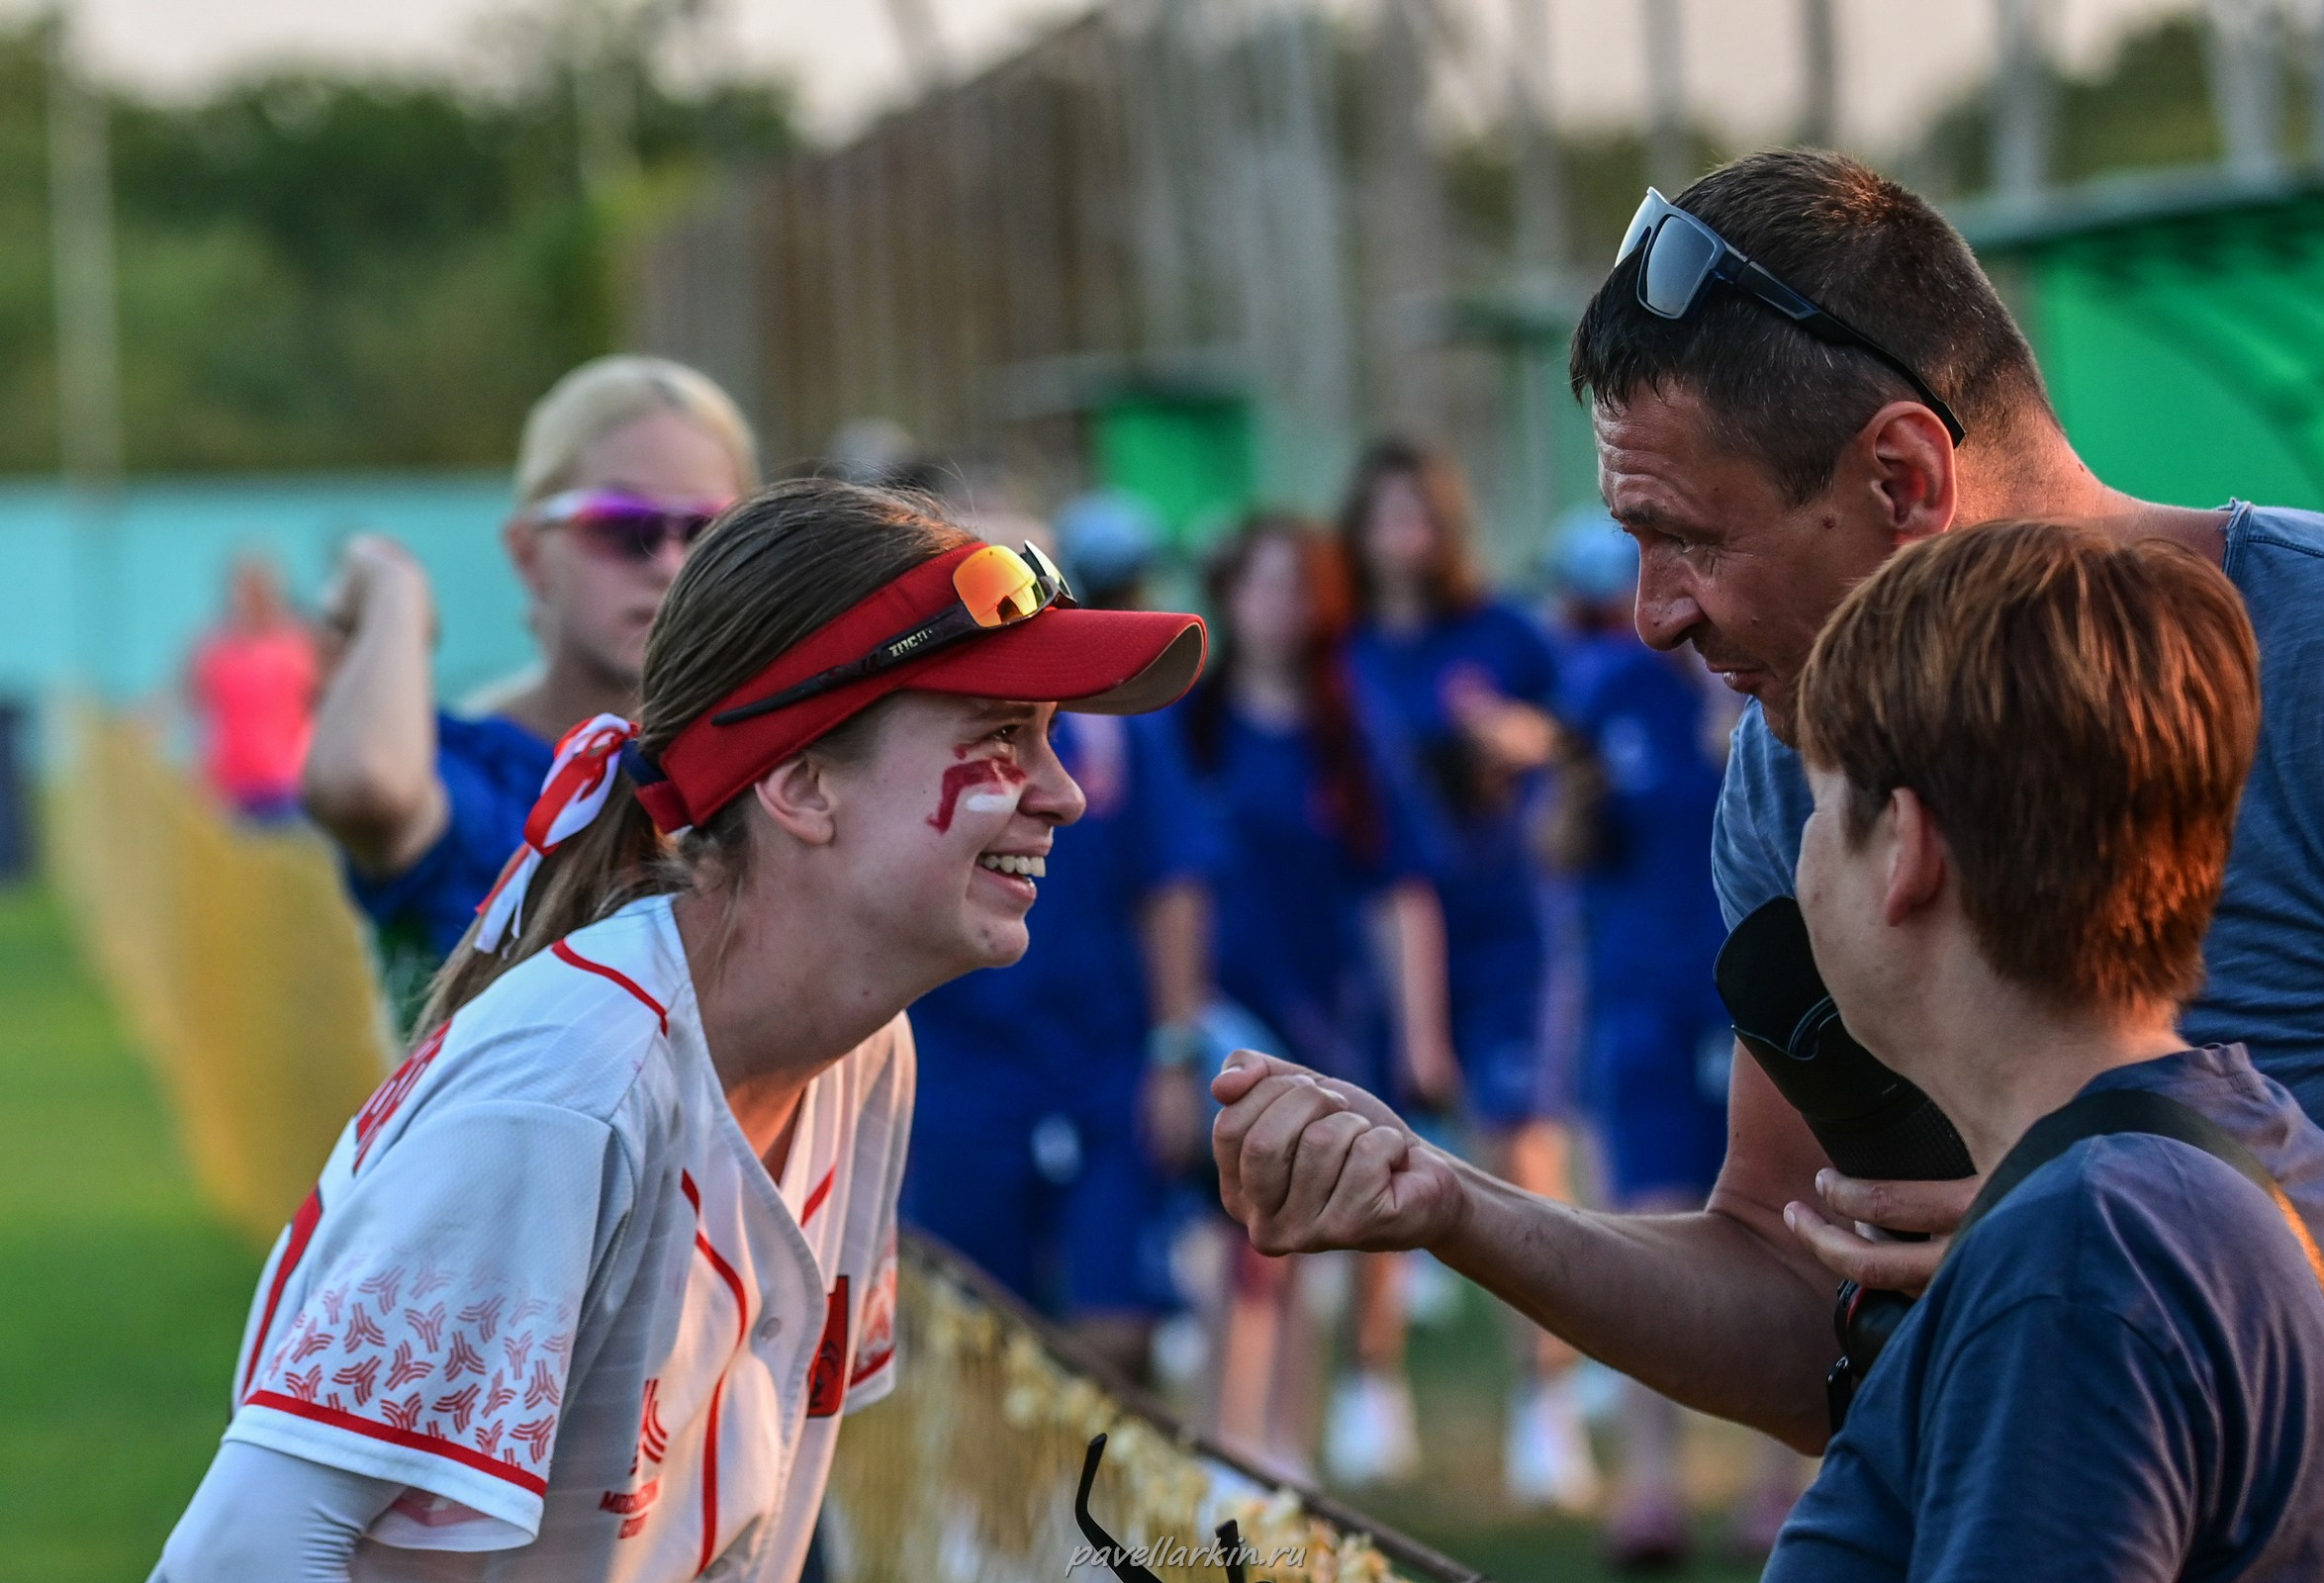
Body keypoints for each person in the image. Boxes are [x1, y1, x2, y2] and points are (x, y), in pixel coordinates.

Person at [1207, 147, 2324, 1459]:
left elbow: (2094, 1257)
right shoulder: (1791, 770)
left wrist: (2118, 1238)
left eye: (1688, 537)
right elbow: (1791, 1278)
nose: (1653, 617)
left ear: (1902, 479)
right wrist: (1455, 1205)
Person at [152, 479, 1208, 1581]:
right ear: (801, 786)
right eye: (1000, 735)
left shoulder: (864, 1051)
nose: (1064, 794)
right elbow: (239, 1558)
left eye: (1049, 736)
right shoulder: (567, 1096)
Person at [1772, 520, 2324, 1577]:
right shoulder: (2261, 1150)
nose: (1800, 854)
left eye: (1819, 803)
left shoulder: (2080, 1258)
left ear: (1906, 846)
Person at [304, 356, 757, 1019]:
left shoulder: (780, 779)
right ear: (528, 553)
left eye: (706, 530)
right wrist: (393, 588)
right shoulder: (479, 777)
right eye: (618, 523)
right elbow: (364, 784)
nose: (667, 563)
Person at [898, 509, 1218, 1383]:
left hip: (1101, 1058)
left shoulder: (1119, 724)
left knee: (1116, 1326)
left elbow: (1173, 883)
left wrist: (1175, 1051)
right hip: (962, 1063)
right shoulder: (910, 736)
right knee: (971, 1330)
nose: (1059, 795)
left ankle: (1085, 1474)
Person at [1335, 439, 1594, 1508]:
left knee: (1523, 1147)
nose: (1402, 535)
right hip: (1381, 939)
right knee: (1367, 1146)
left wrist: (1523, 739)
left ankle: (1547, 1400)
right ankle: (1370, 1380)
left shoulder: (1504, 633)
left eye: (1419, 513)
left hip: (1509, 931)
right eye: (1382, 514)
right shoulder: (1340, 652)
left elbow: (1579, 738)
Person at [1543, 513, 1800, 1564]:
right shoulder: (1608, 688)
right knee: (1649, 1227)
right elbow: (1560, 844)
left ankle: (1781, 1483)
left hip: (1769, 998)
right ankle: (1649, 1486)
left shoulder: (1781, 681)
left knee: (1785, 1226)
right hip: (1645, 993)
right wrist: (1571, 798)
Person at [1183, 515, 1457, 1479]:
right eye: (1258, 583)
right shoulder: (1190, 726)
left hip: (1322, 1026)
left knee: (1289, 1246)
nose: (1275, 606)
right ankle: (1225, 1447)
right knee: (1236, 1245)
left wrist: (1422, 1034)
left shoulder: (1351, 735)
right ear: (1228, 594)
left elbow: (1399, 889)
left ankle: (1279, 1455)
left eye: (1294, 587)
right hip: (1213, 1027)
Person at [189, 554, 320, 823]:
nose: (253, 598)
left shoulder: (302, 647)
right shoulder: (215, 650)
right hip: (231, 790)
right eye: (246, 590)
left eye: (260, 588)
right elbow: (194, 711)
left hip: (289, 788)